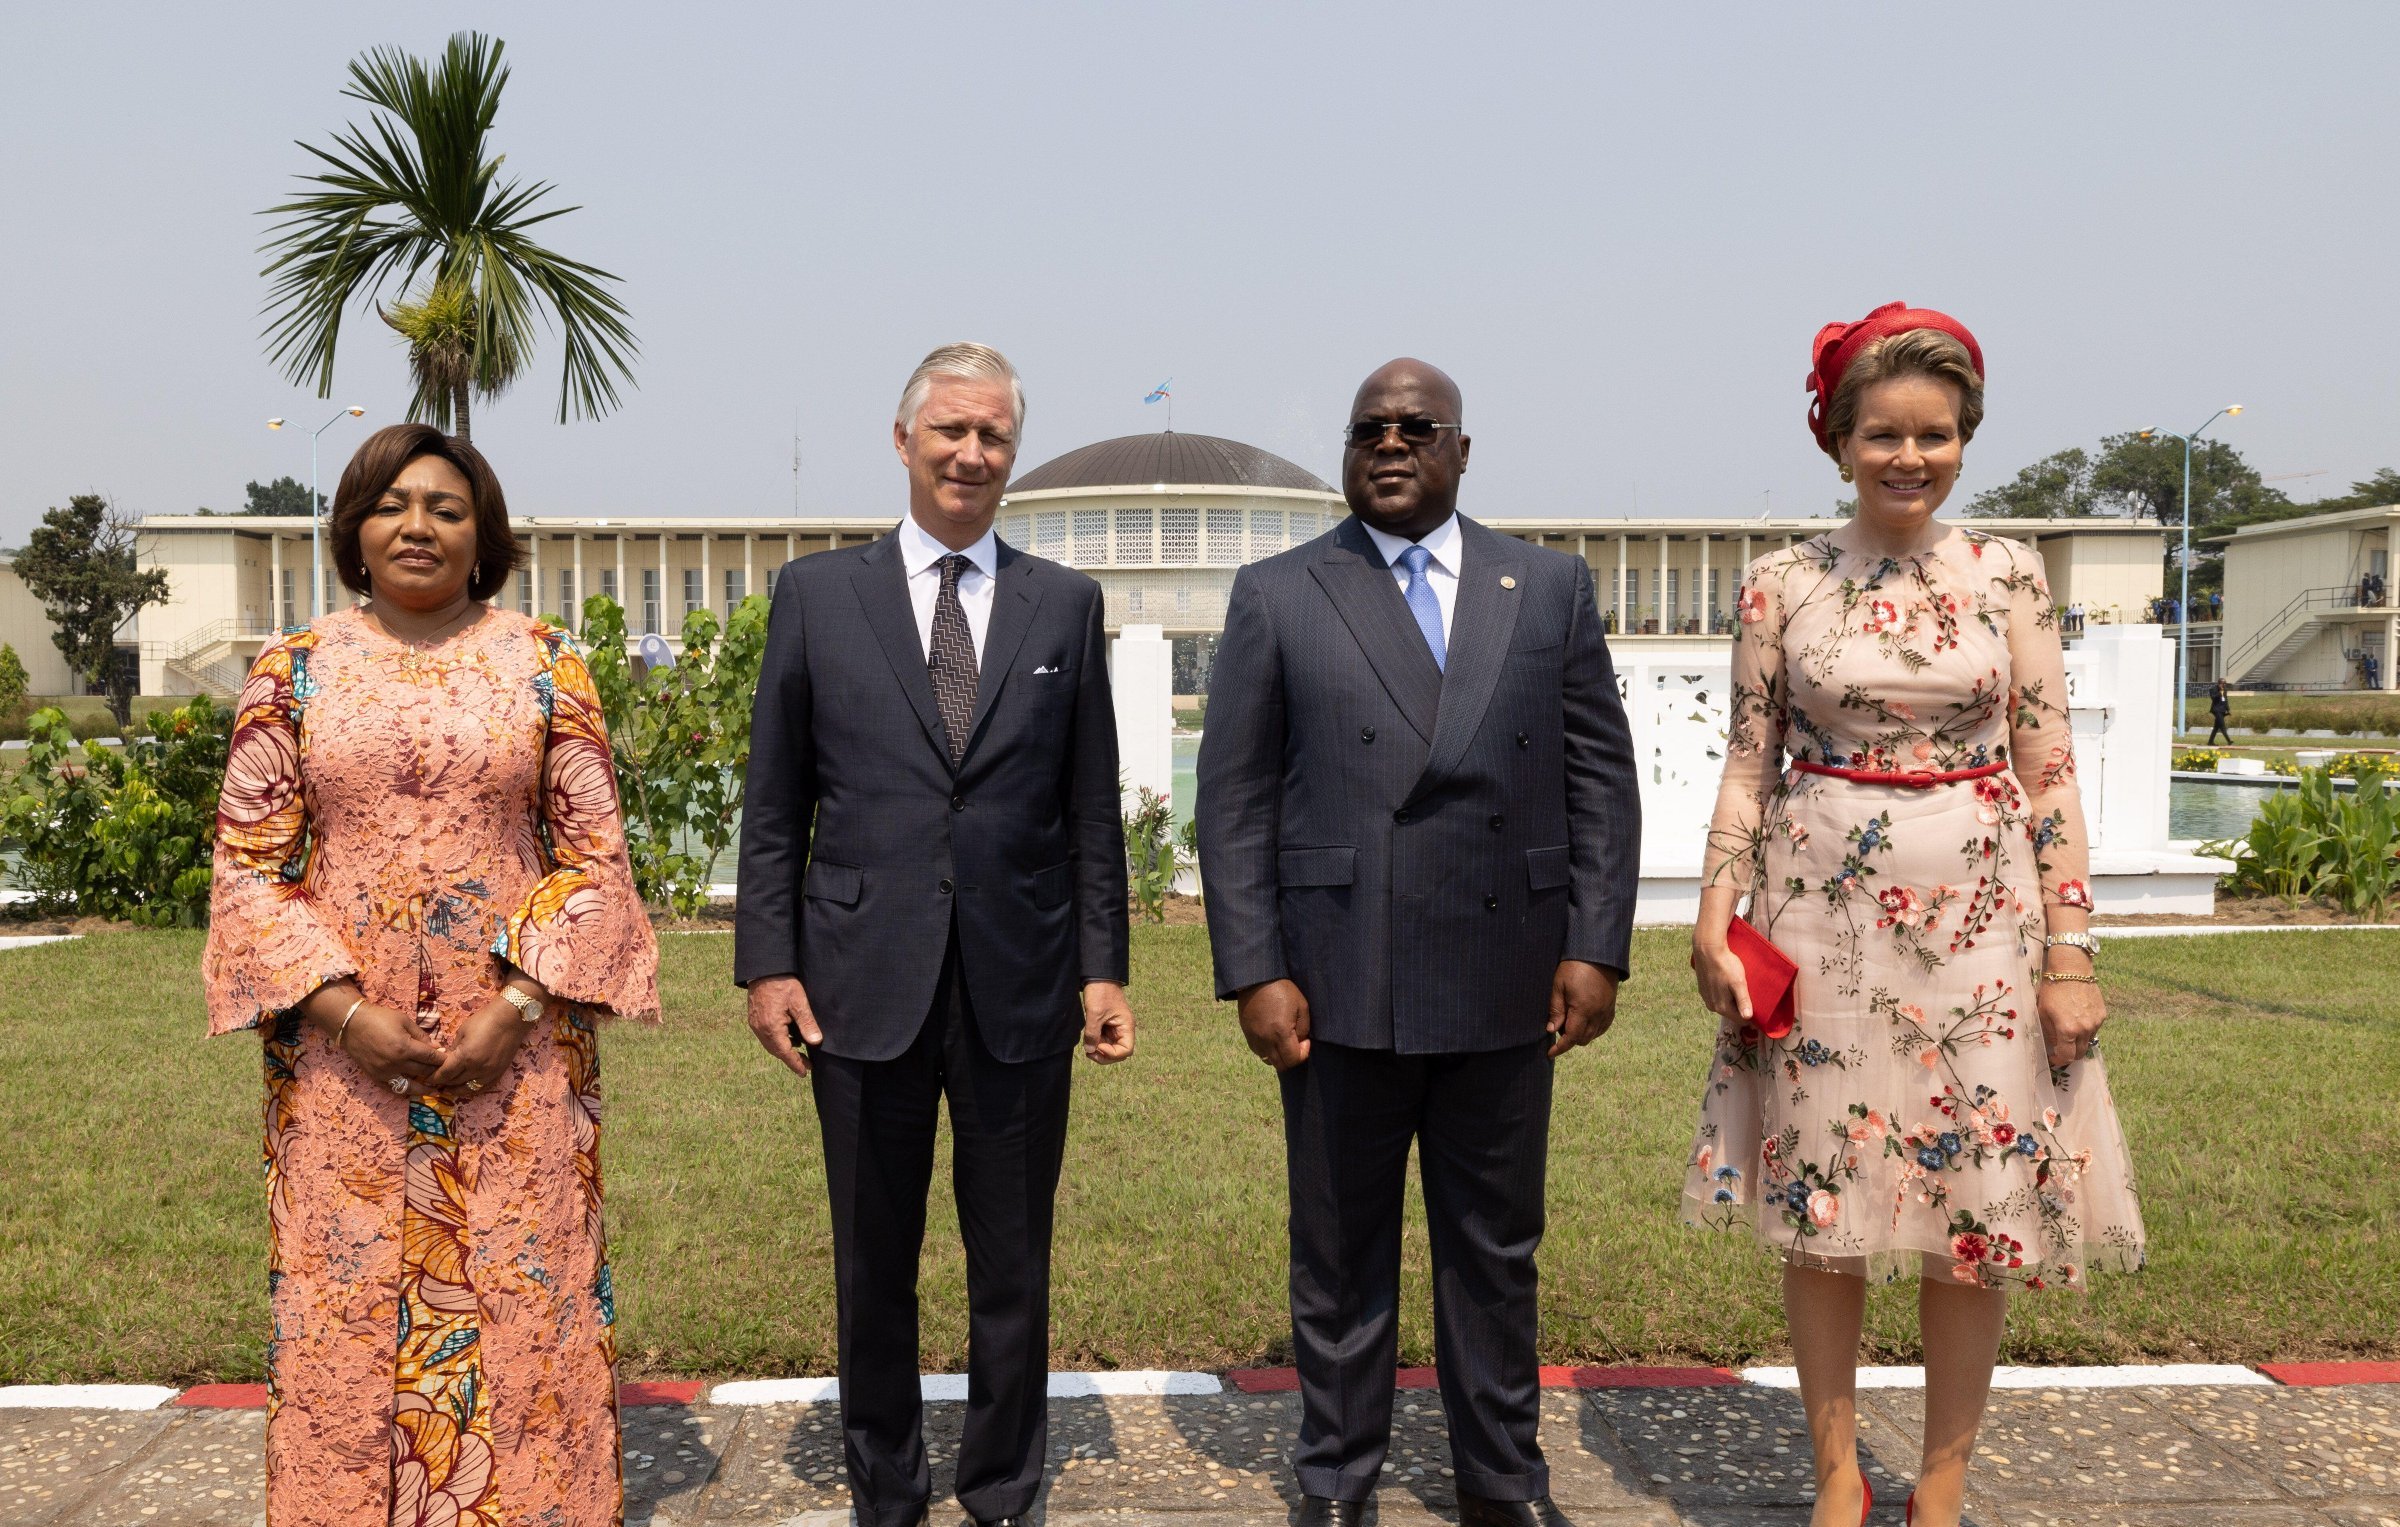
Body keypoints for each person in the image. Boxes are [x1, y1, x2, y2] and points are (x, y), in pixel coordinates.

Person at [1685, 305, 2144, 1527]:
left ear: (1964, 441)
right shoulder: (1781, 583)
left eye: (1935, 436)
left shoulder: (2009, 575)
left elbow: (2050, 774)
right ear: (1836, 441)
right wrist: (1712, 913)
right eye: (1882, 434)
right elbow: (1747, 762)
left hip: (1985, 929)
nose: (1909, 458)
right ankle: (1837, 1472)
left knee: (1975, 1207)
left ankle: (1942, 1480)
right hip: (1816, 917)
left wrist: (2073, 951)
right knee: (1823, 1203)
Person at [1197, 359, 1641, 1527]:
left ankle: (1502, 1481)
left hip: (1506, 973)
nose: (1389, 445)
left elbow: (1600, 774)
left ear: (1460, 448)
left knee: (1495, 1254)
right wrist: (1254, 967)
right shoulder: (1282, 591)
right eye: (1368, 429)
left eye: (1416, 427)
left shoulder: (1543, 586)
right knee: (1339, 1257)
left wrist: (1597, 942)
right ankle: (1336, 1481)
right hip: (1339, 977)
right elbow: (1234, 799)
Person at [203, 423, 659, 1525]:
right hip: (338, 1058)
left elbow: (594, 857)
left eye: (448, 509)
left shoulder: (546, 662)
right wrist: (342, 1011)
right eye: (394, 505)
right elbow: (248, 867)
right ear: (355, 530)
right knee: (345, 1295)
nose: (419, 525)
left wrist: (516, 1005)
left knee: (523, 1285)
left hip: (517, 1052)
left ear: (482, 535)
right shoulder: (294, 670)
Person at [735, 343, 1134, 1527]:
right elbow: (775, 803)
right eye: (951, 430)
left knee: (1013, 1262)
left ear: (1015, 452)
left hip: (1022, 985)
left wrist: (1104, 965)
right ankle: (886, 1487)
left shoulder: (1065, 602)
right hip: (862, 984)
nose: (972, 453)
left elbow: (1091, 809)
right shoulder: (818, 596)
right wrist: (769, 963)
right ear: (903, 440)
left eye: (995, 435)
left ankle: (1004, 1486)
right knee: (874, 1260)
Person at [2207, 679, 2235, 745]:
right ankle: (2229, 741)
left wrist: (2228, 709)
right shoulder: (2213, 689)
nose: (2224, 685)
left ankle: (2210, 742)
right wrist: (2219, 693)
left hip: (2222, 710)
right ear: (2219, 683)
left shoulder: (2225, 689)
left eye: (2225, 684)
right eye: (2223, 684)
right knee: (2222, 726)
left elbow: (2225, 699)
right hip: (2216, 710)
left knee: (2216, 727)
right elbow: (2213, 698)